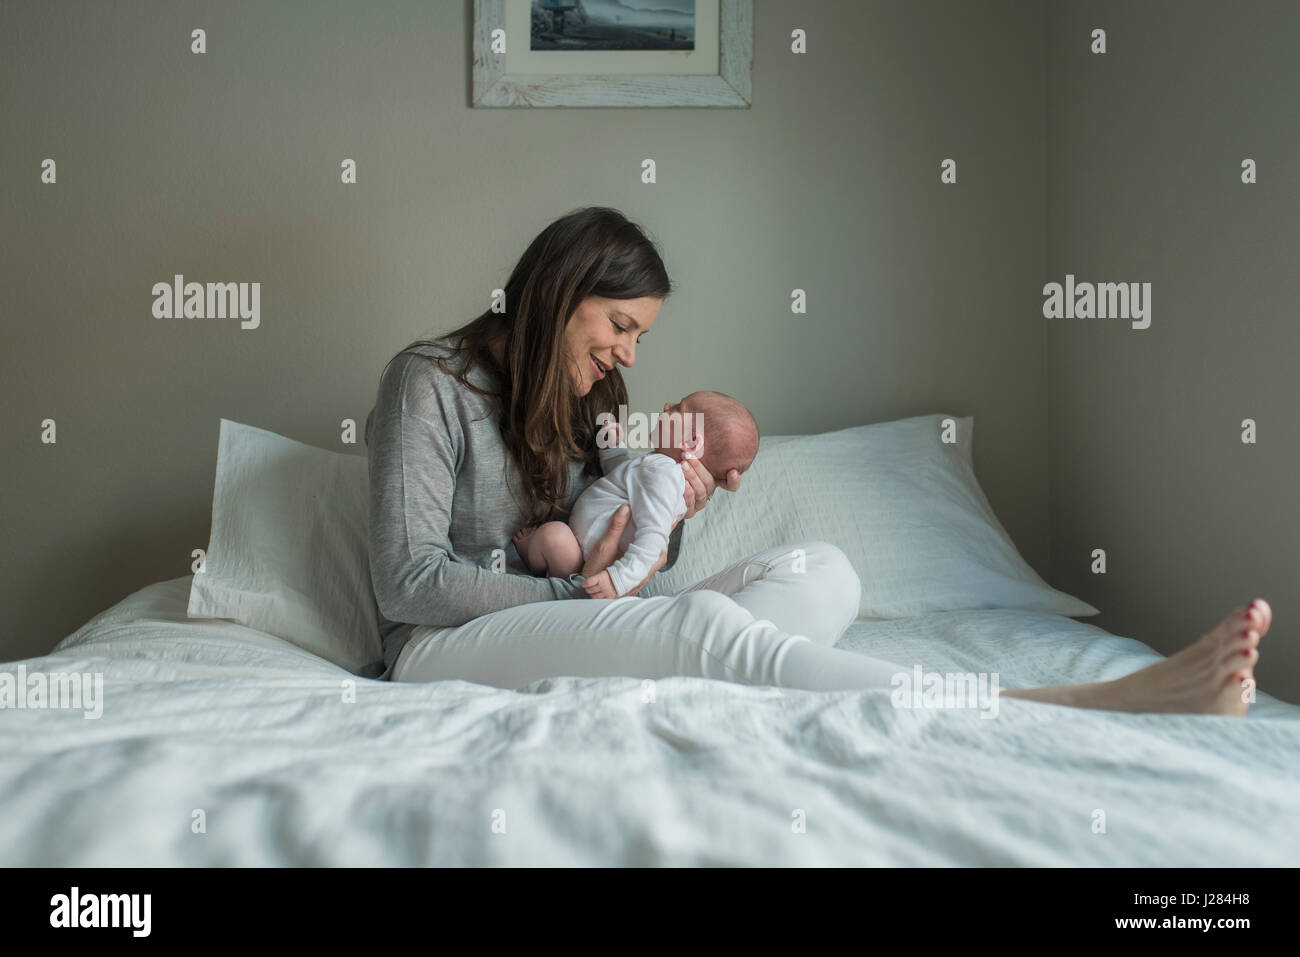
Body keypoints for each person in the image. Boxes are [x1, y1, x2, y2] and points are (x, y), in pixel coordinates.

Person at [364, 206, 1269, 716]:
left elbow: (620, 548)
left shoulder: (588, 399)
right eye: (622, 327)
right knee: (693, 633)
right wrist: (576, 595)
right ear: (562, 296)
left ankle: (712, 660)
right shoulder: (429, 385)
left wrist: (675, 514)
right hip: (444, 647)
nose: (631, 356)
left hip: (587, 615)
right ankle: (1038, 702)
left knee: (822, 570)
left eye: (638, 335)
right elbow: (406, 582)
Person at [513, 390, 759, 600]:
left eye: (678, 409)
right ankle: (553, 577)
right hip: (581, 554)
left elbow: (652, 539)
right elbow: (620, 480)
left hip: (586, 555)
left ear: (691, 442)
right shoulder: (660, 468)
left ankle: (531, 556)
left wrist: (619, 579)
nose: (667, 406)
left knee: (551, 537)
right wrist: (613, 450)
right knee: (556, 540)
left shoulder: (665, 475)